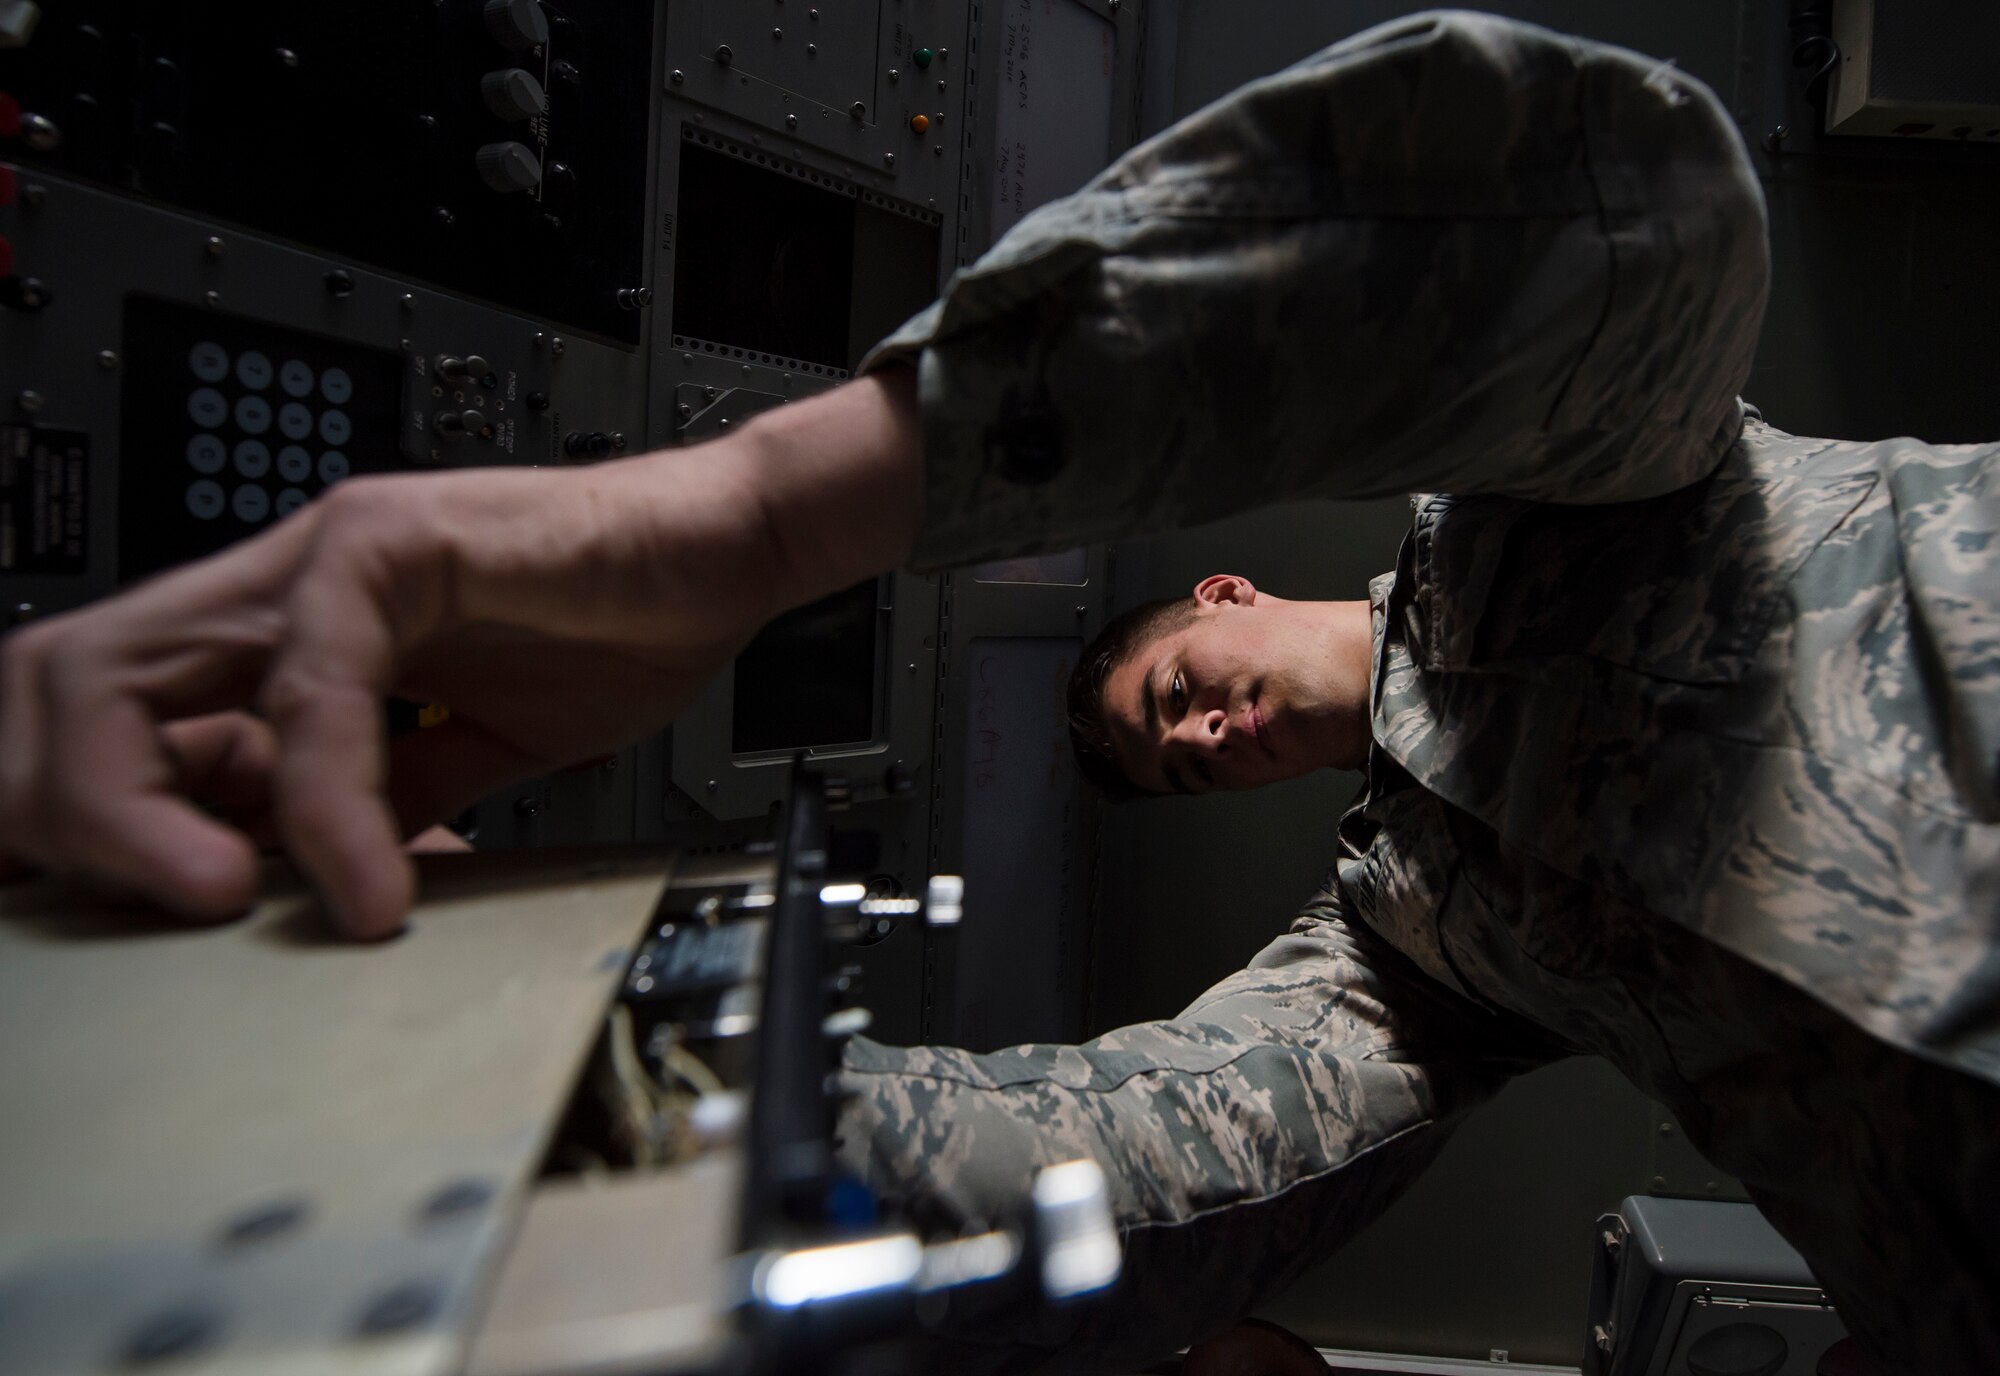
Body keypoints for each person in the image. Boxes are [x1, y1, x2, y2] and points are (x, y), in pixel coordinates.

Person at [0, 9, 1994, 1370]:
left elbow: (1623, 220)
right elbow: (1139, 1163)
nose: (1203, 727)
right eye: (1175, 752)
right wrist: (533, 1084)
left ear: (1216, 589)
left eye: (1170, 686)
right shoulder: (1422, 938)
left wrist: (754, 519)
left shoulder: (1563, 496)